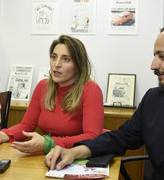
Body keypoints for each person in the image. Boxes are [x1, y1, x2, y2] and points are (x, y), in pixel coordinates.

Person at [44, 28, 164, 180]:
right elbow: (120, 138)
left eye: (163, 57)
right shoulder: (152, 99)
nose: (153, 65)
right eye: (155, 56)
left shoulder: (91, 89)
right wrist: (74, 152)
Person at [0, 35, 104, 155]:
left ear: (78, 66)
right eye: (54, 57)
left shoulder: (91, 90)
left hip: (77, 156)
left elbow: (92, 136)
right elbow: (27, 125)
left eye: (66, 59)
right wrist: (4, 135)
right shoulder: (43, 86)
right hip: (48, 154)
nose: (57, 64)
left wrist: (49, 143)